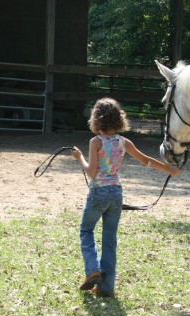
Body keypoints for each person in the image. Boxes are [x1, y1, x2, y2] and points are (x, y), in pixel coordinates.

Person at [71, 97, 180, 297]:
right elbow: (145, 160)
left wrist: (80, 158)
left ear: (96, 119)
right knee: (110, 240)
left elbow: (92, 172)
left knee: (86, 230)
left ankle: (92, 270)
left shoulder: (95, 142)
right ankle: (106, 287)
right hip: (116, 193)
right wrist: (169, 169)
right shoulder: (124, 142)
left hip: (98, 193)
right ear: (118, 118)